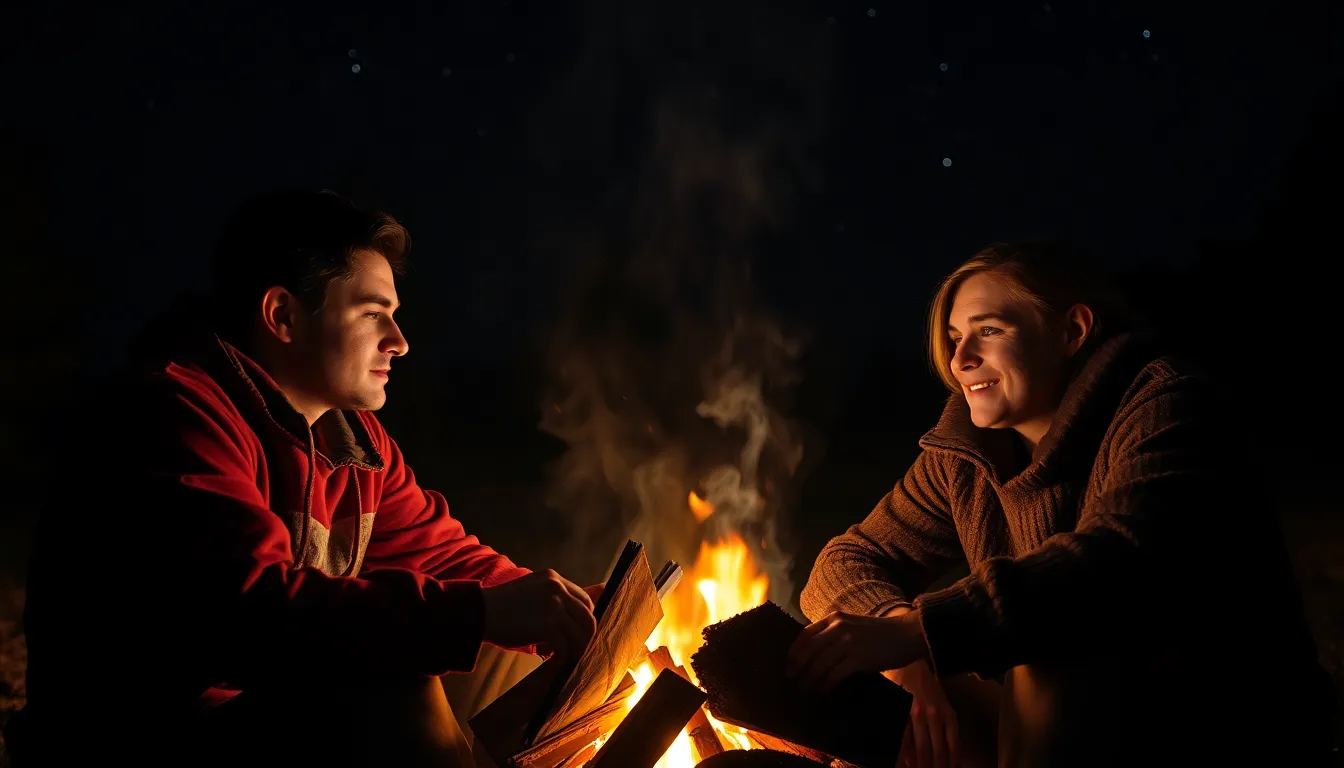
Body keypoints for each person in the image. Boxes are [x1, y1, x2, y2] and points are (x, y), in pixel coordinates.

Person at [7, 189, 601, 767]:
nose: (399, 342)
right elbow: (252, 615)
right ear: (284, 316)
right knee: (400, 686)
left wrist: (562, 608)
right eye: (373, 314)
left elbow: (443, 557)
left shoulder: (356, 444)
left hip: (263, 718)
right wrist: (479, 615)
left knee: (508, 657)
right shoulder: (173, 413)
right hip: (139, 739)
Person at [787, 242, 1336, 767]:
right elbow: (845, 560)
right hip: (1078, 739)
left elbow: (1114, 563)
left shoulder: (1165, 404)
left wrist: (918, 632)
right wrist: (903, 647)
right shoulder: (967, 455)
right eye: (954, 338)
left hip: (1220, 730)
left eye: (988, 331)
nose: (960, 359)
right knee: (879, 673)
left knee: (1047, 651)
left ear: (1072, 331)